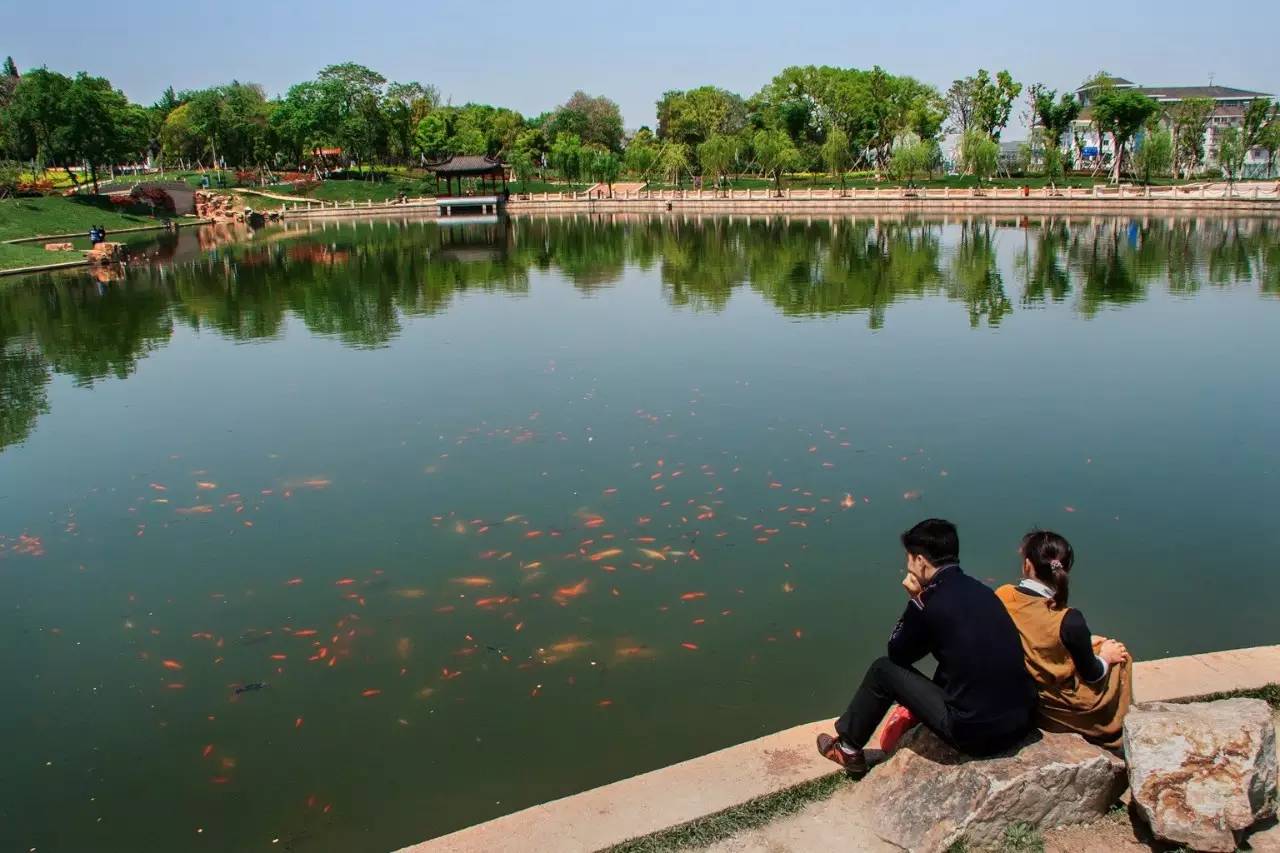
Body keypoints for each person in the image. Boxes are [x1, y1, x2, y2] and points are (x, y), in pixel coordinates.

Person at [817, 519, 1036, 772]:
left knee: (882, 670)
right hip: (1021, 720)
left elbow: (898, 653)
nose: (907, 565)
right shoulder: (983, 592)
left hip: (978, 735)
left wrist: (915, 601)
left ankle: (847, 749)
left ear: (920, 561)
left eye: (909, 558)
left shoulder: (931, 602)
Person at [995, 531, 1131, 749]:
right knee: (1121, 656)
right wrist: (1106, 657)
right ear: (1065, 569)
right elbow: (1092, 674)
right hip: (1052, 702)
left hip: (1021, 689)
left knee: (1094, 644)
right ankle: (1112, 732)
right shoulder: (1068, 620)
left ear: (1027, 565)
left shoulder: (1004, 595)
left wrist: (1084, 641)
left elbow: (1035, 637)